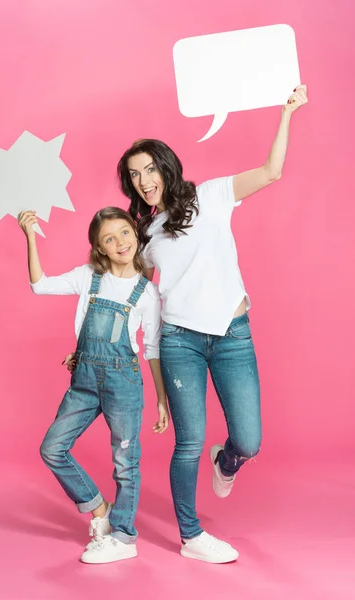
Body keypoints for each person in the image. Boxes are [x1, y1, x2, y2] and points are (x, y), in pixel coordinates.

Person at [115, 85, 308, 563]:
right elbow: (128, 288)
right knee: (189, 442)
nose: (143, 181)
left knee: (249, 439)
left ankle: (228, 461)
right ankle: (191, 536)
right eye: (134, 176)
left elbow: (271, 172)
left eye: (149, 169)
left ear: (166, 166)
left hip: (232, 334)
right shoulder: (145, 234)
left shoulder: (214, 195)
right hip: (181, 341)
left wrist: (286, 113)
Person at [18, 206, 170, 564]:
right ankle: (99, 508)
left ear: (136, 236)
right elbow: (40, 285)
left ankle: (123, 536)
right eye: (109, 238)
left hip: (124, 384)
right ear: (99, 248)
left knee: (125, 464)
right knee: (53, 448)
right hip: (84, 381)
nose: (120, 242)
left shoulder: (147, 294)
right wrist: (29, 236)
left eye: (125, 233)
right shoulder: (88, 277)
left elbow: (152, 349)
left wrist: (162, 400)